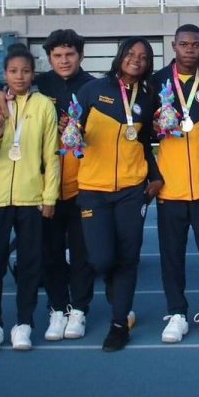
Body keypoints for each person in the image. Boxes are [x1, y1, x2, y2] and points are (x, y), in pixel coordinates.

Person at [76, 37, 164, 352]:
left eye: (143, 56)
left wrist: (155, 177)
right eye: (131, 53)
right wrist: (71, 132)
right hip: (93, 189)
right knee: (101, 259)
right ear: (120, 56)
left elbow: (143, 143)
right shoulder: (92, 91)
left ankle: (118, 325)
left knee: (128, 258)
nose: (136, 59)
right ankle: (117, 296)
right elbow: (74, 131)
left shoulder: (150, 96)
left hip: (131, 189)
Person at [149, 25, 199, 344]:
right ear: (174, 45)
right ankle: (177, 313)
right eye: (184, 44)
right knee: (172, 255)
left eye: (196, 45)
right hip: (171, 186)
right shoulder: (156, 83)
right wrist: (154, 129)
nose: (190, 50)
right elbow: (141, 133)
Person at [0, 45, 60, 353]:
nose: (19, 77)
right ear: (4, 74)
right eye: (13, 71)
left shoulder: (43, 106)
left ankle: (24, 323)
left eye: (25, 71)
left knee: (29, 264)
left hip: (32, 197)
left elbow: (51, 154)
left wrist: (50, 195)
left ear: (33, 73)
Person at [33, 30, 96, 342]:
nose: (64, 61)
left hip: (83, 185)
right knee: (51, 253)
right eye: (57, 56)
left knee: (83, 254)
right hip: (46, 188)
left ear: (80, 56)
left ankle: (80, 310)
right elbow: (2, 87)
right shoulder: (39, 85)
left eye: (70, 55)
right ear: (49, 58)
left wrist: (80, 131)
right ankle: (57, 308)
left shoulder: (93, 87)